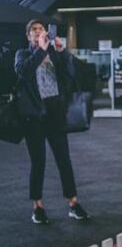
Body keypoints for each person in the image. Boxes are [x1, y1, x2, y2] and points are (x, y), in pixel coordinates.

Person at [14, 20, 90, 224]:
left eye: (41, 29)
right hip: (34, 117)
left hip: (55, 114)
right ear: (28, 36)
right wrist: (41, 50)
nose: (38, 32)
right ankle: (37, 206)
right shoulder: (22, 54)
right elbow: (24, 71)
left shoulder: (54, 53)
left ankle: (73, 203)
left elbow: (73, 75)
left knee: (64, 159)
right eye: (34, 30)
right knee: (38, 162)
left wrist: (62, 52)